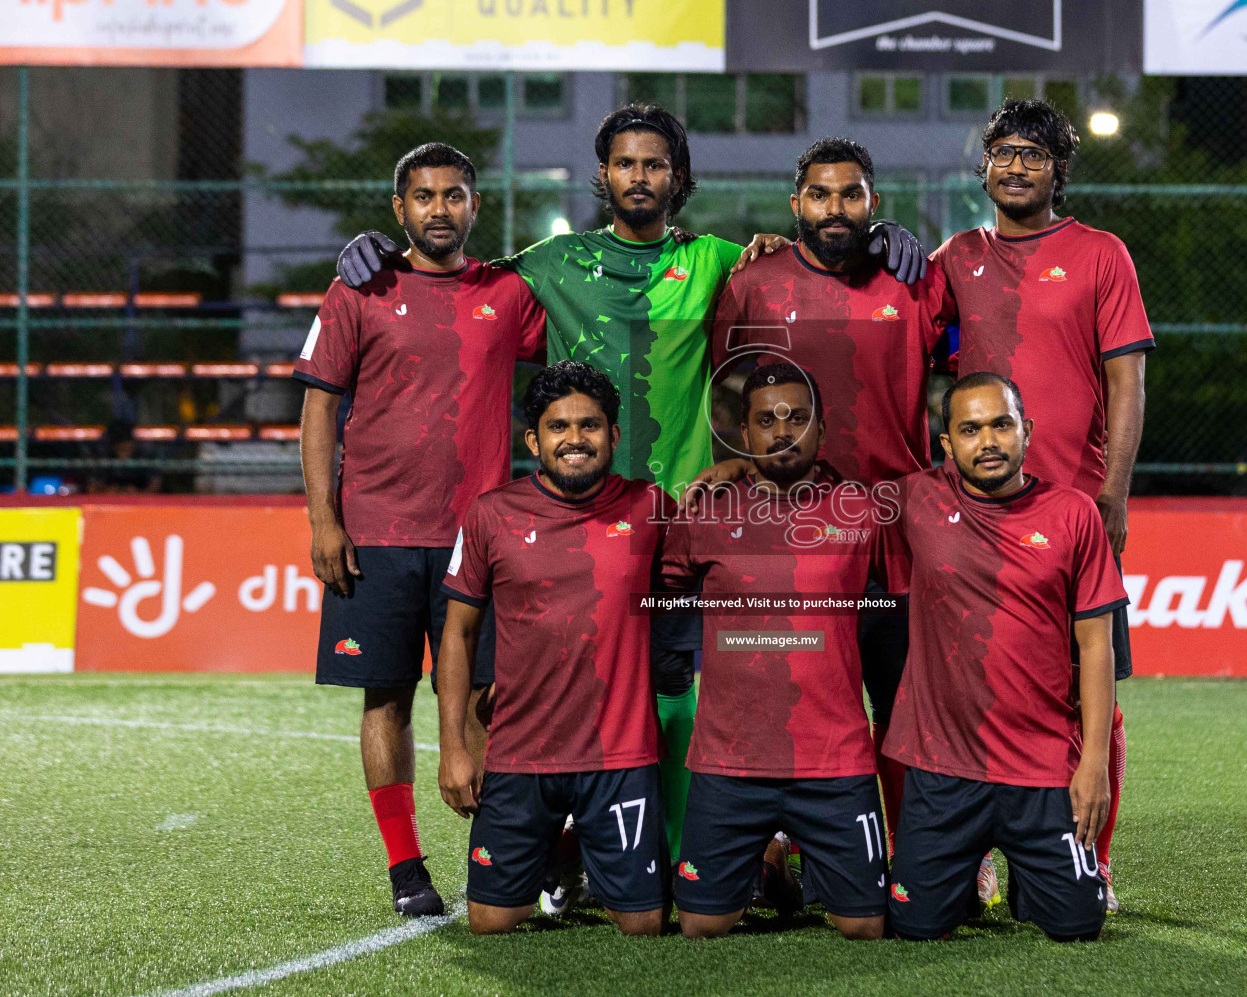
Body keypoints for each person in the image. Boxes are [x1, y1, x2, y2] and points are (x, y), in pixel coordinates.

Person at [334, 106, 928, 869]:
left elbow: (807, 266)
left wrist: (883, 236)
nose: (639, 177)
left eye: (654, 165)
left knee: (680, 687)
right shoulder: (552, 261)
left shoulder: (723, 261)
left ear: (677, 178)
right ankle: (546, 856)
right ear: (604, 174)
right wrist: (381, 252)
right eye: (624, 163)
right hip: (573, 522)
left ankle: (684, 855)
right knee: (549, 687)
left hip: (679, 522)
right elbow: (455, 284)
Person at [293, 143, 546, 917]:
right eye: (425, 197)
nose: (441, 209)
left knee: (486, 700)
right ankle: (407, 870)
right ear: (399, 208)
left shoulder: (509, 293)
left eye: (456, 195)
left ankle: (493, 860)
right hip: (376, 531)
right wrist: (324, 519)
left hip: (481, 536)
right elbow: (319, 410)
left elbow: (579, 323)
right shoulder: (358, 287)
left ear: (476, 206)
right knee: (387, 699)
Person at [697, 137, 951, 869]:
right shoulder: (753, 282)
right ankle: (791, 855)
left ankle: (919, 858)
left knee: (904, 707)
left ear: (874, 201)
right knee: (792, 701)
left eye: (851, 194)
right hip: (788, 537)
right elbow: (729, 394)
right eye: (820, 194)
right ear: (795, 204)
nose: (835, 209)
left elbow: (965, 361)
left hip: (895, 534)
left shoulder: (913, 280)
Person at [931, 99, 1154, 910]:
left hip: (1070, 512)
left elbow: (1128, 381)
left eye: (1032, 153)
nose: (1015, 165)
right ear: (983, 166)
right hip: (972, 517)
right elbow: (906, 347)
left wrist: (1114, 494)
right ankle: (978, 852)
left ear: (1060, 169)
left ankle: (1085, 853)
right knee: (967, 686)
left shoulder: (1100, 255)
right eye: (1002, 151)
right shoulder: (957, 257)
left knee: (1085, 690)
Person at [882, 373, 1125, 942]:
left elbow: (1096, 645)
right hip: (944, 770)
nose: (987, 441)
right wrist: (738, 469)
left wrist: (1092, 764)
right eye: (969, 429)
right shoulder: (914, 500)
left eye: (1001, 424)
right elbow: (814, 497)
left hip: (1040, 767)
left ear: (1027, 431)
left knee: (1076, 924)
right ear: (947, 445)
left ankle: (1029, 879)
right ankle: (963, 872)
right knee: (915, 926)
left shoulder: (1074, 513)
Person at [436, 361, 672, 936]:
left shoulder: (652, 508)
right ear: (533, 440)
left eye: (589, 425)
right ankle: (561, 849)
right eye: (558, 426)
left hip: (620, 756)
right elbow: (457, 634)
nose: (574, 439)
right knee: (491, 924)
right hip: (520, 756)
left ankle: (571, 849)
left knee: (643, 927)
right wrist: (454, 749)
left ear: (614, 436)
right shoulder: (490, 514)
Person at [661, 363, 892, 941]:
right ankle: (773, 865)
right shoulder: (705, 510)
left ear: (821, 427)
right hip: (729, 762)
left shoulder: (863, 512)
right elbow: (655, 603)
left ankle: (784, 857)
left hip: (834, 761)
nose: (782, 431)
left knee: (864, 927)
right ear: (743, 432)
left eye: (797, 418)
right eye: (765, 420)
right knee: (700, 926)